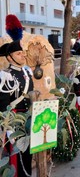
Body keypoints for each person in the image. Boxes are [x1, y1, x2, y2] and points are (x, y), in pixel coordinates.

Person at [0, 39, 34, 177]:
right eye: (19, 53)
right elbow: (3, 104)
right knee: (16, 156)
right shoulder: (5, 75)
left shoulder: (27, 73)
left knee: (27, 154)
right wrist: (8, 129)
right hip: (14, 123)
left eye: (23, 52)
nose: (23, 55)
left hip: (28, 121)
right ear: (10, 57)